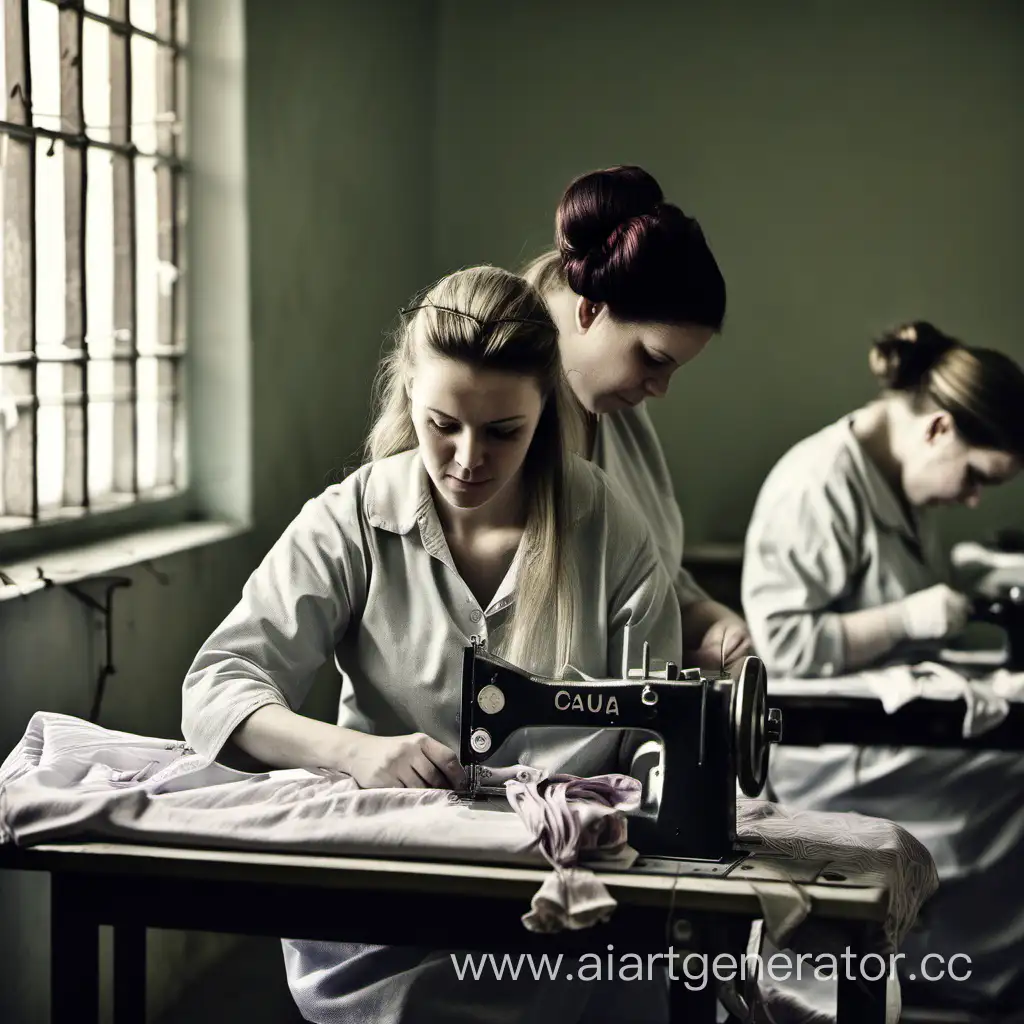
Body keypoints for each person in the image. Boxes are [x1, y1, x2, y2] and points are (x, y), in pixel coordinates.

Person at [181, 265, 682, 1023]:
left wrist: (643, 801)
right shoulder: (351, 519)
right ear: (408, 395)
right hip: (385, 923)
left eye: (503, 431)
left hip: (567, 918)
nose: (468, 458)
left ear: (545, 410)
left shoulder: (608, 528)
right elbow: (217, 686)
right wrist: (354, 754)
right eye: (442, 424)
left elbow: (659, 732)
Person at [741, 321, 1024, 1012]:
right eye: (976, 478)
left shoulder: (900, 475)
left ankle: (974, 976)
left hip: (879, 722)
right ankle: (970, 984)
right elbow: (783, 648)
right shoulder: (819, 486)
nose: (971, 499)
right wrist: (906, 620)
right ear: (938, 429)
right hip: (823, 747)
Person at [523, 165, 752, 677]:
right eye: (651, 358)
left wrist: (706, 620)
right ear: (590, 310)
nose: (659, 388)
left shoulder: (618, 410)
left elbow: (651, 570)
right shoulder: (492, 414)